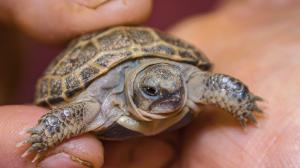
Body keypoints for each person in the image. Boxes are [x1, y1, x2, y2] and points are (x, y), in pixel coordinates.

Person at [0, 0, 299, 167]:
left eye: (176, 85)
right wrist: (43, 135)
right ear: (134, 89)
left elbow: (216, 83)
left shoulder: (185, 82)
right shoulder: (94, 102)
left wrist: (242, 103)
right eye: (153, 92)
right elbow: (67, 114)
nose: (173, 93)